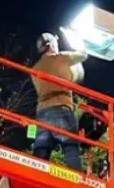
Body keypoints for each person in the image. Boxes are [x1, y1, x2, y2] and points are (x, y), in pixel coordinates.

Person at [29, 31, 87, 171]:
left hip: (42, 113)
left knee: (41, 150)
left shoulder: (34, 69)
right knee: (70, 146)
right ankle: (77, 181)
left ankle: (35, 178)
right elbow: (83, 55)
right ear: (51, 44)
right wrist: (78, 40)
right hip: (61, 108)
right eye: (56, 42)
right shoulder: (62, 58)